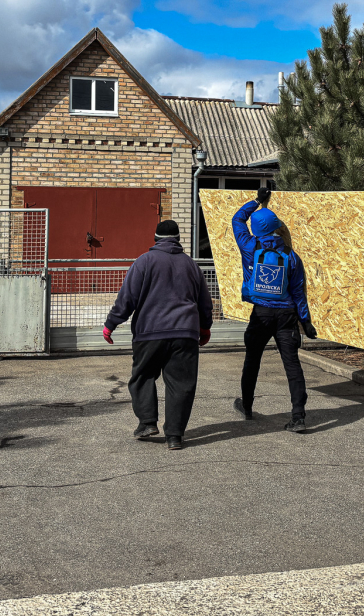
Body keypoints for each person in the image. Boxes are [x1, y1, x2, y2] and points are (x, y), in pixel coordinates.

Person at [103, 219, 213, 450]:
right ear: (178, 239)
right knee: (181, 384)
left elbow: (127, 298)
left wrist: (111, 323)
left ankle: (147, 422)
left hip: (150, 332)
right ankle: (174, 436)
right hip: (185, 332)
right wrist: (204, 328)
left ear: (155, 239)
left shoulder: (144, 262)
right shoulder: (191, 265)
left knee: (142, 376)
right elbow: (204, 301)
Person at [231, 187, 317, 432]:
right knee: (292, 366)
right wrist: (306, 322)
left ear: (257, 230)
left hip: (261, 315)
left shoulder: (250, 247)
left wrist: (258, 200)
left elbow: (237, 219)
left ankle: (246, 406)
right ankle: (298, 417)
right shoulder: (292, 256)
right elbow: (299, 292)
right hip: (286, 316)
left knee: (252, 361)